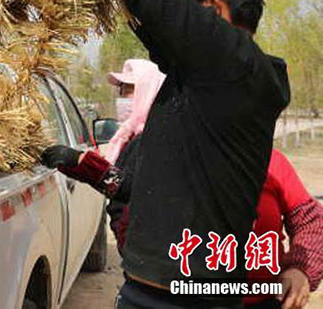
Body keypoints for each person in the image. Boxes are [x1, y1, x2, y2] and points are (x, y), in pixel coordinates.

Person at [68, 0, 291, 308]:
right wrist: (91, 171)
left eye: (180, 2)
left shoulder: (241, 69)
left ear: (212, 8)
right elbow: (142, 189)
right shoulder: (200, 81)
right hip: (149, 289)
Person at [43, 77, 322, 309]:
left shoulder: (273, 163)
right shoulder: (172, 157)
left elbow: (310, 220)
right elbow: (129, 193)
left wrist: (299, 269)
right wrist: (86, 167)